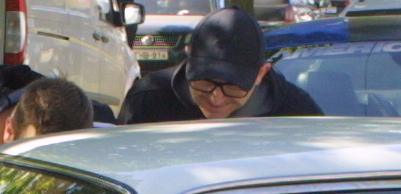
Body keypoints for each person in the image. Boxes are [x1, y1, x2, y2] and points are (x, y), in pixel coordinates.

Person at [118, 7, 322, 123]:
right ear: (188, 62)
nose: (216, 98)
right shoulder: (147, 100)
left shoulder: (297, 115)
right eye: (204, 83)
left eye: (233, 87)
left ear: (261, 74)